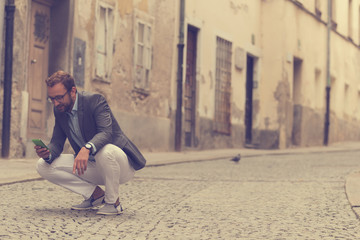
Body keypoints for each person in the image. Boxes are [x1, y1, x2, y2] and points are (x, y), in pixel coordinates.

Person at [35, 70, 146, 215]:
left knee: (104, 151)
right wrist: (47, 153)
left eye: (59, 97)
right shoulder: (60, 110)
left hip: (118, 165)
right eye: (52, 99)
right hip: (91, 166)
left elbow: (106, 133)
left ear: (73, 91)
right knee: (42, 165)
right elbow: (56, 142)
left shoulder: (95, 100)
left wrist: (87, 148)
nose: (56, 103)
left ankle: (113, 203)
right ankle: (95, 195)